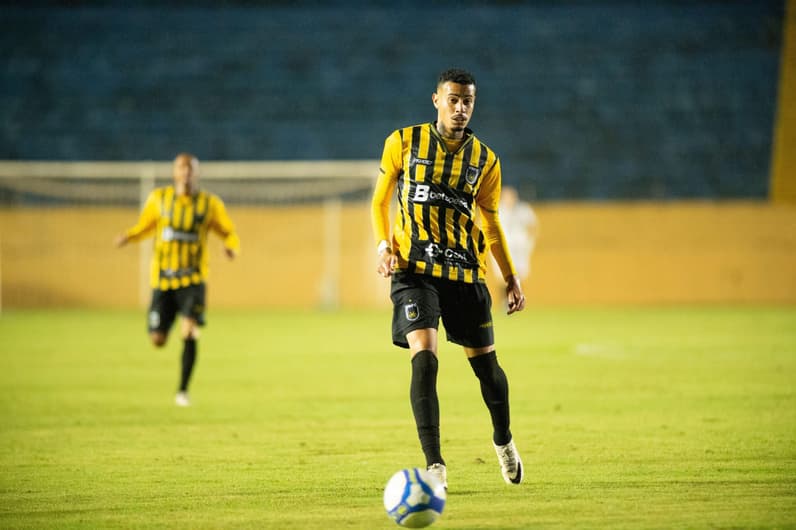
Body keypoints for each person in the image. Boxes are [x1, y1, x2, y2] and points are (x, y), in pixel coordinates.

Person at [371, 68, 526, 489]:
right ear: (436, 99)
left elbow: (492, 223)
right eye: (453, 99)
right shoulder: (403, 142)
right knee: (424, 354)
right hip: (413, 269)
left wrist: (510, 277)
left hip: (463, 271)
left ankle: (503, 441)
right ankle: (434, 465)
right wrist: (384, 247)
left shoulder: (486, 161)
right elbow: (381, 200)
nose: (460, 108)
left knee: (487, 369)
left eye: (467, 101)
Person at [115, 153, 240, 407]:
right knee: (158, 340)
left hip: (193, 279)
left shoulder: (209, 204)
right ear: (174, 173)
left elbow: (228, 231)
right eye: (182, 169)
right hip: (163, 279)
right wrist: (128, 236)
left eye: (191, 169)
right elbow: (146, 226)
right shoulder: (159, 200)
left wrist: (231, 247)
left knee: (191, 330)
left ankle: (182, 391)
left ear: (197, 173)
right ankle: (167, 320)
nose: (186, 174)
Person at [496, 185, 538, 285]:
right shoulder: (496, 210)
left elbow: (533, 226)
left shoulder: (523, 209)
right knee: (503, 275)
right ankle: (506, 299)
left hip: (520, 247)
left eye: (511, 196)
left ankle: (518, 298)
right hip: (503, 247)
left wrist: (530, 242)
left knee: (520, 274)